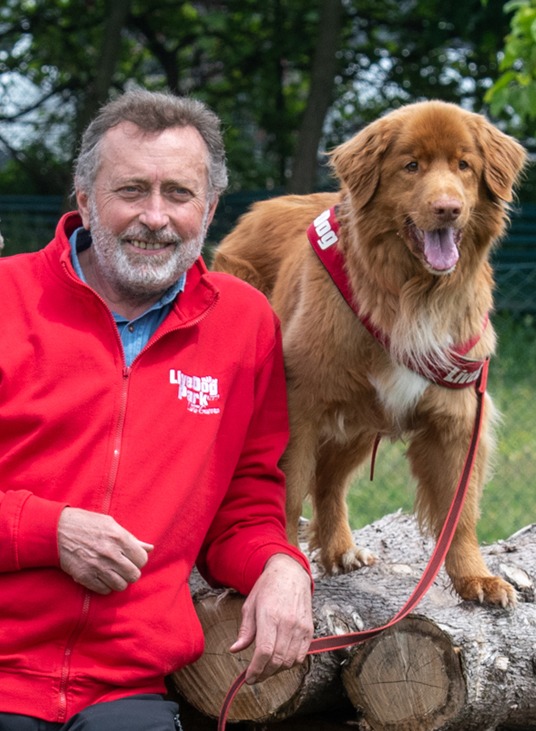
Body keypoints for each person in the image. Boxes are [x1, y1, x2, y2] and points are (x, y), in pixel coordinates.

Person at [0, 89, 314, 731]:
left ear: (210, 208)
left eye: (177, 193)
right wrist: (47, 530)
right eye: (131, 190)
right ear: (84, 199)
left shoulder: (244, 323)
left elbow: (244, 504)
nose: (155, 216)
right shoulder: (8, 299)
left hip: (126, 688)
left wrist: (282, 563)